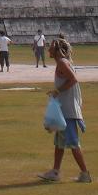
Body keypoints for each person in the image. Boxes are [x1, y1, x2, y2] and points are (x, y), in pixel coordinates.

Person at [39, 38, 91, 183]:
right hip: (64, 110)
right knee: (59, 143)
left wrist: (57, 91)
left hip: (68, 110)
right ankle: (55, 172)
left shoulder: (62, 63)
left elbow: (73, 79)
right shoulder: (62, 63)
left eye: (50, 47)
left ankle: (85, 173)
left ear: (56, 50)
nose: (48, 49)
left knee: (73, 143)